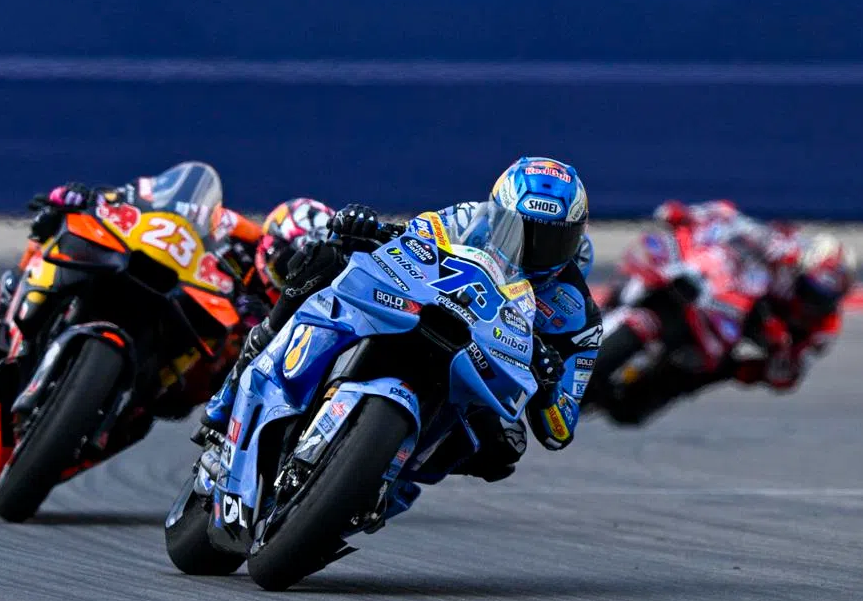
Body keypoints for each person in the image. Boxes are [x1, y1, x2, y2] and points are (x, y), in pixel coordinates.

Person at [197, 156, 602, 483]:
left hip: (480, 371)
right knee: (323, 260)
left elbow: (560, 430)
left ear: (576, 237)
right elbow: (413, 237)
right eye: (521, 230)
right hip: (422, 311)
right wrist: (367, 228)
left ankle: (386, 482)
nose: (534, 250)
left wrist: (549, 389)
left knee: (506, 446)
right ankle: (245, 374)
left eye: (553, 240)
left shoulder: (577, 315)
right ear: (498, 214)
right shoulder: (468, 220)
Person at [0, 161, 334, 436]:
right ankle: (2, 329)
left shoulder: (290, 306)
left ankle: (117, 416)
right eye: (287, 260)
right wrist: (97, 200)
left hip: (189, 364)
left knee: (178, 403)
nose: (289, 272)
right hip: (169, 293)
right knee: (49, 234)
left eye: (301, 269)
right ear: (272, 239)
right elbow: (147, 204)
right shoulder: (234, 230)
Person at [650, 199, 857, 393]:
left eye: (825, 298)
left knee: (784, 379)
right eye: (810, 289)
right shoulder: (785, 251)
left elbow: (790, 366)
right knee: (710, 236)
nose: (814, 301)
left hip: (756, 329)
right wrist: (689, 215)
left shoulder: (825, 328)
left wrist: (781, 347)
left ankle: (699, 376)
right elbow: (734, 221)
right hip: (737, 292)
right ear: (803, 269)